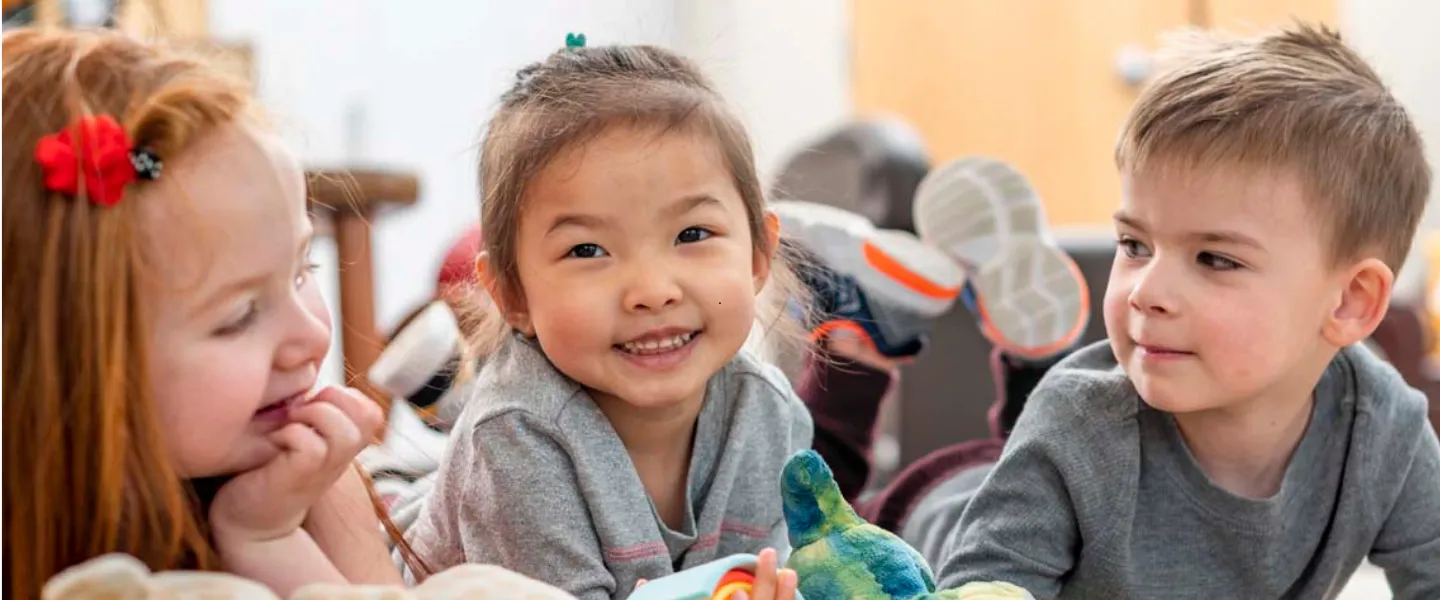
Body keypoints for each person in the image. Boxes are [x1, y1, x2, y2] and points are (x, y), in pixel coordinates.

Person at [924, 23, 1440, 599]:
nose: (1147, 291)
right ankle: (1008, 351)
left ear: (1349, 301)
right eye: (1134, 246)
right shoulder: (1078, 426)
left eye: (1214, 259)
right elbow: (981, 583)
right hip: (936, 528)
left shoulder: (1383, 429)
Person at [400, 40, 816, 599]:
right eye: (588, 250)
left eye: (692, 235)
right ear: (512, 293)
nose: (651, 291)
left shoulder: (769, 412)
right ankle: (440, 418)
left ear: (759, 254)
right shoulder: (518, 438)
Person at [1, 28, 404, 597]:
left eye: (301, 271)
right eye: (240, 316)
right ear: (69, 362)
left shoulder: (314, 479)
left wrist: (269, 536)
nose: (312, 336)